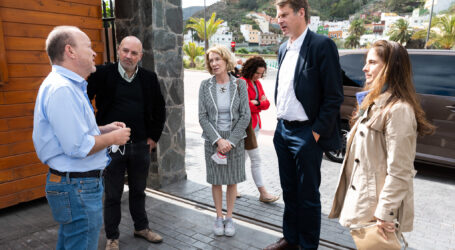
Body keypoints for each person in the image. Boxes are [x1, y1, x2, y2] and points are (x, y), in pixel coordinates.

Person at [33, 26, 131, 250]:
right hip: (78, 186)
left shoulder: (66, 86)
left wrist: (104, 129)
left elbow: (73, 134)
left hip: (74, 184)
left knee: (71, 242)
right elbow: (78, 147)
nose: (94, 53)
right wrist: (114, 138)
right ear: (70, 51)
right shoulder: (62, 89)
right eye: (88, 46)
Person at [328, 40, 435, 243]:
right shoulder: (375, 102)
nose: (364, 68)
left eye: (372, 62)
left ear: (390, 67)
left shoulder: (399, 110)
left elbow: (401, 170)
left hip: (377, 210)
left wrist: (385, 212)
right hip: (365, 201)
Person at [265, 0, 344, 249]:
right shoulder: (282, 49)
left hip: (307, 133)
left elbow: (334, 97)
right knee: (289, 191)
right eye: (278, 16)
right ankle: (290, 238)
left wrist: (316, 134)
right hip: (283, 131)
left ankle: (308, 245)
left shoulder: (322, 45)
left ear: (302, 13)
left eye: (285, 14)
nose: (280, 20)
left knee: (308, 195)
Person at [87, 36, 166, 250]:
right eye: (125, 51)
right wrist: (95, 132)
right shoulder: (103, 74)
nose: (128, 56)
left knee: (139, 191)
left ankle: (141, 228)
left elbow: (160, 109)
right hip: (111, 146)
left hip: (140, 145)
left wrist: (153, 137)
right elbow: (84, 100)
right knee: (113, 194)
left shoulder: (149, 78)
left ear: (140, 56)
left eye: (133, 53)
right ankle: (112, 236)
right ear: (119, 50)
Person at [198, 45, 250, 237]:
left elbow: (245, 116)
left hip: (235, 139)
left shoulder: (240, 85)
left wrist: (231, 141)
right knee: (216, 181)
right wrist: (219, 140)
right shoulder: (205, 85)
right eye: (211, 60)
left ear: (226, 60)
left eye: (217, 59)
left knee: (232, 181)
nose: (214, 63)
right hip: (213, 140)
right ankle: (218, 217)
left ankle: (229, 217)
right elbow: (202, 117)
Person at [239, 56, 279, 203]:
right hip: (245, 127)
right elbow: (244, 106)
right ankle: (263, 193)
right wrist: (257, 103)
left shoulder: (257, 84)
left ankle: (233, 186)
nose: (259, 76)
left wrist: (255, 103)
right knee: (256, 159)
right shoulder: (241, 83)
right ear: (250, 69)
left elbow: (267, 103)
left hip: (255, 125)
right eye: (257, 73)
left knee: (243, 158)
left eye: (262, 73)